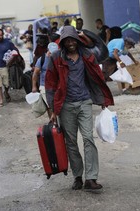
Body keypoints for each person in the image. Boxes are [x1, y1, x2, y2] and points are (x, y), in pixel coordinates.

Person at [45, 26, 114, 191]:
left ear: (77, 40)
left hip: (84, 102)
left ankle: (90, 178)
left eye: (73, 40)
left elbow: (101, 56)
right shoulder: (56, 58)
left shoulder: (86, 55)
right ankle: (77, 176)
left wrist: (101, 98)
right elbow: (50, 84)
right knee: (71, 143)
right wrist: (53, 109)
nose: (70, 43)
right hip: (65, 106)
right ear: (62, 42)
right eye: (67, 40)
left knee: (88, 138)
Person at [32, 42, 59, 118]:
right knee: (49, 105)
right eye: (51, 53)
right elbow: (35, 73)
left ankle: (54, 121)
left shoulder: (58, 58)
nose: (52, 55)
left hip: (56, 86)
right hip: (44, 86)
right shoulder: (42, 59)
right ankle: (53, 122)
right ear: (48, 50)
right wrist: (34, 86)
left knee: (56, 105)